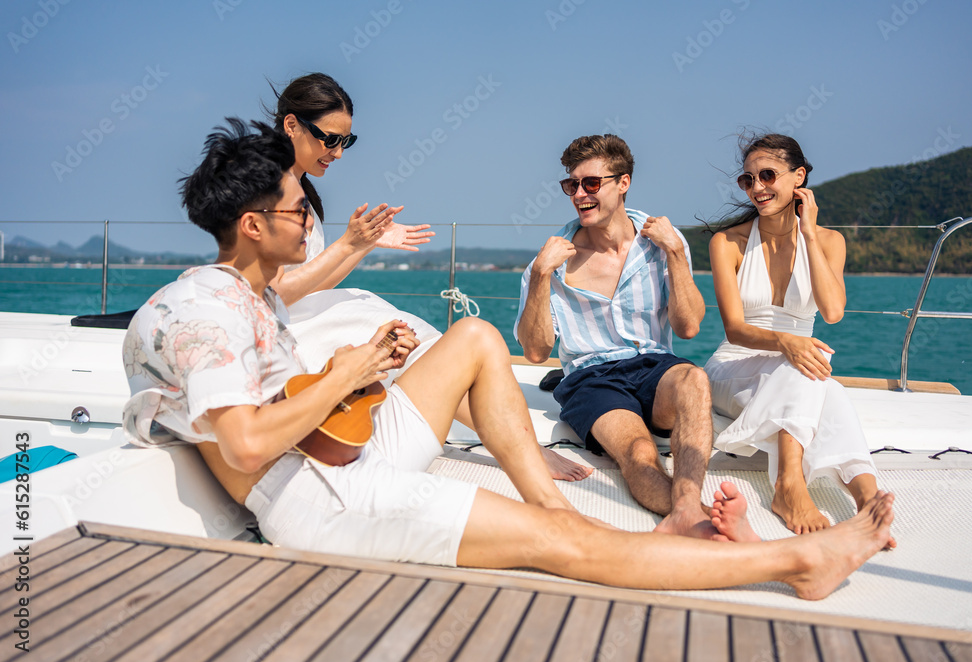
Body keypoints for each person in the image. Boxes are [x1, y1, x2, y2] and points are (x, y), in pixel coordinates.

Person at [121, 119, 895, 598]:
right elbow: (247, 440)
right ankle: (798, 562)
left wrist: (355, 369)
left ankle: (553, 500)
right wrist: (353, 374)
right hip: (317, 498)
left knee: (474, 340)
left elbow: (267, 404)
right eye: (298, 209)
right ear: (255, 225)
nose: (310, 218)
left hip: (339, 452)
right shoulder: (202, 312)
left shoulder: (252, 294)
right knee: (566, 548)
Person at [268, 73, 590, 482]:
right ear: (291, 125)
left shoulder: (298, 188)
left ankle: (519, 444)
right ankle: (522, 449)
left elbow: (316, 284)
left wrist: (363, 245)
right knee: (424, 346)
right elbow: (271, 293)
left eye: (345, 142)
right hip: (289, 332)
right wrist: (348, 245)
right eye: (330, 138)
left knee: (424, 343)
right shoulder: (274, 189)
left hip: (309, 314)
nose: (338, 152)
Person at [515, 134, 726, 539]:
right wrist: (541, 276)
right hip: (591, 379)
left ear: (623, 183)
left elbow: (689, 327)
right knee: (638, 452)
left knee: (694, 378)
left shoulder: (662, 244)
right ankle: (696, 518)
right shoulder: (551, 261)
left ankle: (686, 513)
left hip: (654, 367)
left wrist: (677, 254)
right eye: (571, 185)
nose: (579, 194)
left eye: (590, 183)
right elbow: (537, 351)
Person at [704, 132, 892, 543]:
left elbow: (833, 311)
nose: (757, 188)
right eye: (747, 179)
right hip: (732, 367)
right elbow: (734, 329)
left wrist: (808, 233)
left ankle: (866, 496)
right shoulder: (728, 242)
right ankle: (788, 485)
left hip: (798, 366)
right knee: (808, 372)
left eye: (768, 175)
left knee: (831, 390)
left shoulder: (828, 241)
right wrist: (785, 342)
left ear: (798, 177)